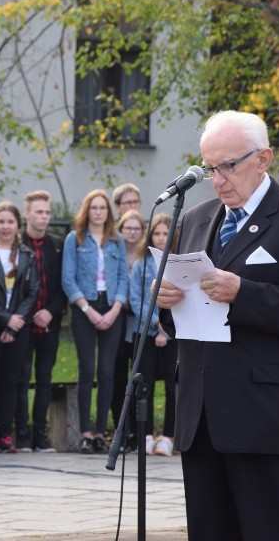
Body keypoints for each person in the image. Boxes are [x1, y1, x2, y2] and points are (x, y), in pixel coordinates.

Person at [155, 110, 279, 539]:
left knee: (270, 530)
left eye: (228, 166)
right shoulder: (196, 218)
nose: (217, 179)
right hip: (199, 413)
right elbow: (182, 315)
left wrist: (244, 292)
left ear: (264, 159)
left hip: (262, 412)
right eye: (209, 168)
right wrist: (165, 302)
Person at [62, 189, 128, 454]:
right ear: (86, 212)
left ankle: (102, 432)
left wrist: (115, 309)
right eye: (94, 208)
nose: (98, 212)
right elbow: (68, 278)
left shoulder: (117, 240)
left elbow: (123, 276)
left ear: (108, 213)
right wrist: (87, 309)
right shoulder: (74, 239)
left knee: (107, 371)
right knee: (87, 369)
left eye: (102, 208)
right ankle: (85, 433)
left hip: (112, 306)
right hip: (84, 307)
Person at [0, 201, 39, 454]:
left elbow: (33, 292)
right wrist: (5, 319)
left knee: (11, 381)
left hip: (19, 327)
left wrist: (15, 323)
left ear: (18, 225)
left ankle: (7, 432)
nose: (5, 227)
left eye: (10, 222)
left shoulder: (27, 255)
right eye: (1, 221)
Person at [13, 190, 66, 453]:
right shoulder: (17, 243)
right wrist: (30, 311)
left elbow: (61, 284)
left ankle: (39, 435)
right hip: (22, 323)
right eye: (39, 212)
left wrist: (50, 311)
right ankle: (21, 433)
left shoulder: (56, 245)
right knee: (22, 377)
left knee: (44, 377)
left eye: (47, 212)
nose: (44, 217)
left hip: (49, 323)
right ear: (27, 214)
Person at [129, 213, 177, 456]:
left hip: (173, 336)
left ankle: (168, 437)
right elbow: (135, 299)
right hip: (144, 333)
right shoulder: (142, 263)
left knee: (173, 387)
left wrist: (166, 332)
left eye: (165, 233)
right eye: (156, 234)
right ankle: (145, 435)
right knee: (143, 385)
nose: (160, 238)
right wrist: (157, 324)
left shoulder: (179, 263)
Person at [110, 209, 147, 452]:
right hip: (118, 322)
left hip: (141, 325)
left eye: (136, 228)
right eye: (127, 228)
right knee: (118, 377)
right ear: (120, 230)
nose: (132, 233)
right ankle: (120, 430)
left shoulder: (147, 257)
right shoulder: (114, 254)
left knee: (138, 379)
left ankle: (138, 431)